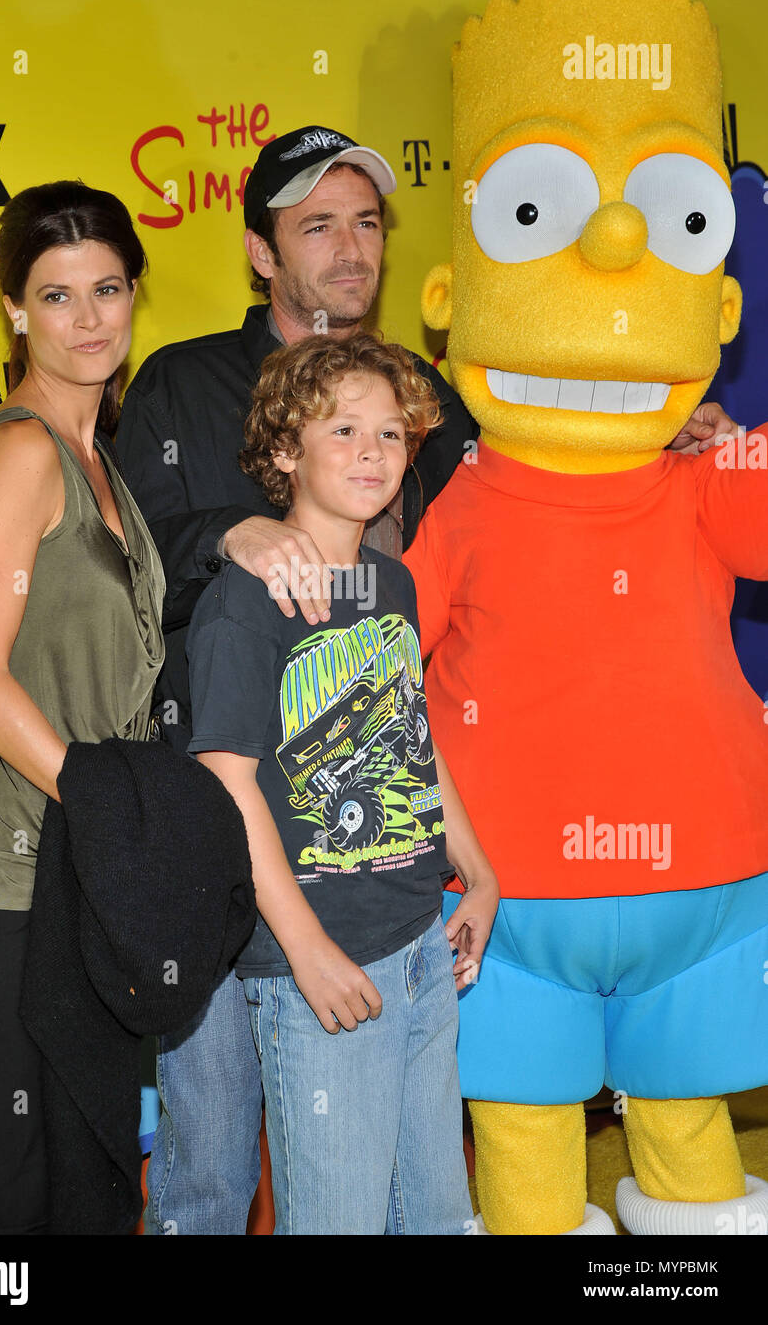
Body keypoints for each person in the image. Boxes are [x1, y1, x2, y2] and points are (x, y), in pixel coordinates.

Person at [118, 123, 739, 1237]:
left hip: (402, 914)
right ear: (262, 251)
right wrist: (243, 537)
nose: (350, 247)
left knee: (427, 1204)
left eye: (367, 222)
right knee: (213, 1169)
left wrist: (648, 436)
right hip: (248, 870)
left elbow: (418, 697)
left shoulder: (421, 480)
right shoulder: (185, 398)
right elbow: (156, 592)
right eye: (319, 224)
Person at [187, 332, 499, 1233]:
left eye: (392, 435)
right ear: (284, 453)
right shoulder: (245, 599)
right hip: (318, 969)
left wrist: (476, 872)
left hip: (417, 948)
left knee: (435, 1217)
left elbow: (413, 733)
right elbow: (228, 786)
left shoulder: (389, 581)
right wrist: (307, 951)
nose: (373, 453)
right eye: (343, 431)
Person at [0, 180, 165, 1234]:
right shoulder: (21, 452)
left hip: (82, 874)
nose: (89, 318)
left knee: (92, 1187)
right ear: (14, 310)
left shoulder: (101, 456)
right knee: (16, 1196)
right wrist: (109, 810)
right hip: (1, 881)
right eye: (56, 297)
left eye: (107, 288)